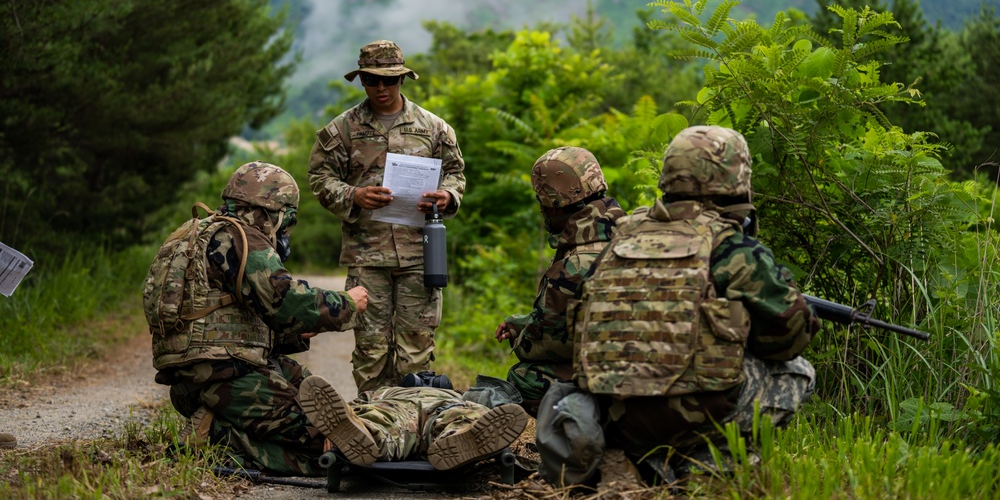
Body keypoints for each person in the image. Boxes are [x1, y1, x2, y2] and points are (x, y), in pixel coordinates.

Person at [537, 126, 820, 486]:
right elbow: (789, 339)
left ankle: (635, 461)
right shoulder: (732, 248)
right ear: (736, 177)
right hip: (695, 417)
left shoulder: (621, 237)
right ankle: (712, 462)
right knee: (798, 371)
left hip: (614, 416)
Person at [143, 161, 369, 476]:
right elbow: (287, 303)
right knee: (336, 445)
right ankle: (217, 437)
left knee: (307, 387)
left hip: (191, 385)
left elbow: (218, 318)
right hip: (227, 379)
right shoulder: (242, 237)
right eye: (288, 219)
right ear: (272, 212)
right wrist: (346, 302)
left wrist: (289, 337)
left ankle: (216, 423)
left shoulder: (196, 231)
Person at [308, 40, 466, 392]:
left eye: (389, 80)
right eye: (371, 80)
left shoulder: (434, 128)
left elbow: (456, 173)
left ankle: (413, 427)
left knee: (416, 350)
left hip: (420, 254)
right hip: (367, 255)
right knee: (371, 350)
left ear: (403, 80)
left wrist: (447, 195)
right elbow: (319, 178)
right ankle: (372, 428)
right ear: (362, 81)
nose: (381, 88)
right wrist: (354, 195)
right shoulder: (343, 129)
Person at [494, 147, 624, 415]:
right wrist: (527, 321)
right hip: (657, 371)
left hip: (617, 384)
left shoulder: (573, 265)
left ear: (552, 204)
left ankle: (587, 431)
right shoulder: (636, 237)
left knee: (523, 376)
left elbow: (541, 347)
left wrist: (523, 335)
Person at [298, 374, 528, 471]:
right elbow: (352, 410)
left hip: (400, 409)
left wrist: (351, 417)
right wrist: (338, 429)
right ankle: (457, 437)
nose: (427, 376)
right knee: (460, 416)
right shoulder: (457, 394)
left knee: (383, 422)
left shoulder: (386, 391)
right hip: (440, 408)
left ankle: (369, 435)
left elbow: (357, 406)